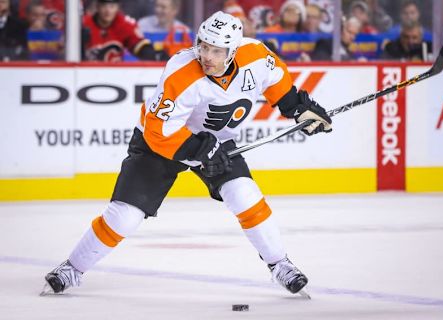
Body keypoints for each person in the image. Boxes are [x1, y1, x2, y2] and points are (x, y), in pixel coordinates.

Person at [42, 11, 332, 297]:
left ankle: (280, 264)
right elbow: (158, 131)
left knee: (245, 194)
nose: (206, 55)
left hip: (217, 141)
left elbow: (279, 86)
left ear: (232, 51)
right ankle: (72, 268)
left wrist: (298, 109)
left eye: (215, 50)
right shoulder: (181, 71)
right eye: (203, 45)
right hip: (158, 144)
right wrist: (198, 152)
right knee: (125, 216)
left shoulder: (256, 56)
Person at [82, 0, 159, 62]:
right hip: (87, 72)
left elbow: (139, 45)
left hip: (116, 74)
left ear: (118, 7)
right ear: (97, 6)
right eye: (104, 6)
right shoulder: (84, 23)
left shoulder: (124, 24)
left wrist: (153, 54)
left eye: (112, 6)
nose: (108, 11)